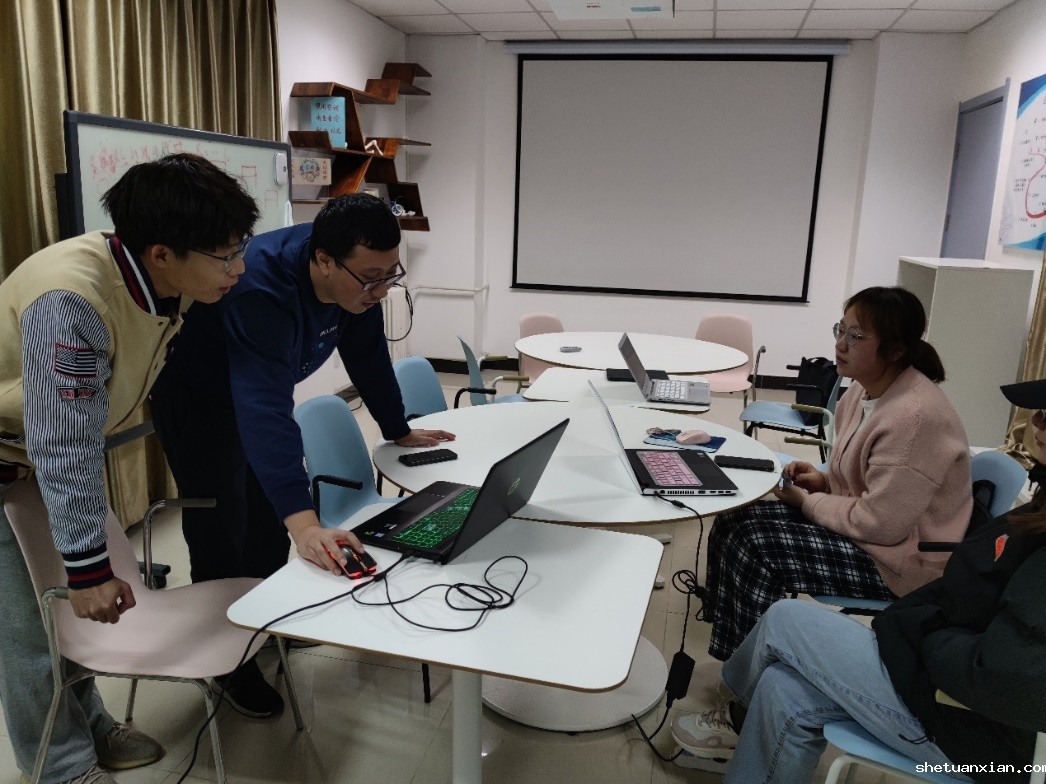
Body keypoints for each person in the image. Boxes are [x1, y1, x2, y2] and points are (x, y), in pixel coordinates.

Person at [0, 154, 259, 784]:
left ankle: (89, 724)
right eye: (225, 255)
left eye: (240, 248)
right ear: (162, 253)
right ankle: (59, 768)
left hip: (36, 453)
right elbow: (63, 443)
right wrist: (88, 568)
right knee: (33, 632)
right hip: (13, 457)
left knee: (71, 617)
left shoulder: (157, 278)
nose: (239, 268)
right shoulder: (73, 302)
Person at [149, 193, 454, 718]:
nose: (381, 290)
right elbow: (264, 409)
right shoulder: (261, 288)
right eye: (370, 278)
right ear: (324, 260)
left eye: (390, 276)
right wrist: (307, 525)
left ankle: (265, 620)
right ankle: (227, 659)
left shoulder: (355, 286)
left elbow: (367, 353)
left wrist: (397, 427)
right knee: (223, 521)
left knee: (269, 522)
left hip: (256, 395)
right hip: (199, 399)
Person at [670, 377, 1046, 783]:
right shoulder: (1037, 509)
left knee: (784, 619)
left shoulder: (918, 417)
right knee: (781, 687)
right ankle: (738, 716)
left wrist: (921, 636)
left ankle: (734, 709)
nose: (1036, 423)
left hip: (978, 731)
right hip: (947, 668)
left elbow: (1003, 678)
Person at [702, 286, 972, 662]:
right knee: (733, 520)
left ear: (896, 350)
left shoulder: (913, 418)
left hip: (902, 561)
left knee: (756, 545)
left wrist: (809, 501)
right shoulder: (863, 390)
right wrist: (824, 481)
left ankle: (747, 674)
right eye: (841, 330)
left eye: (856, 336)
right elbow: (866, 481)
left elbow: (880, 524)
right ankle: (730, 640)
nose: (841, 344)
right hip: (874, 535)